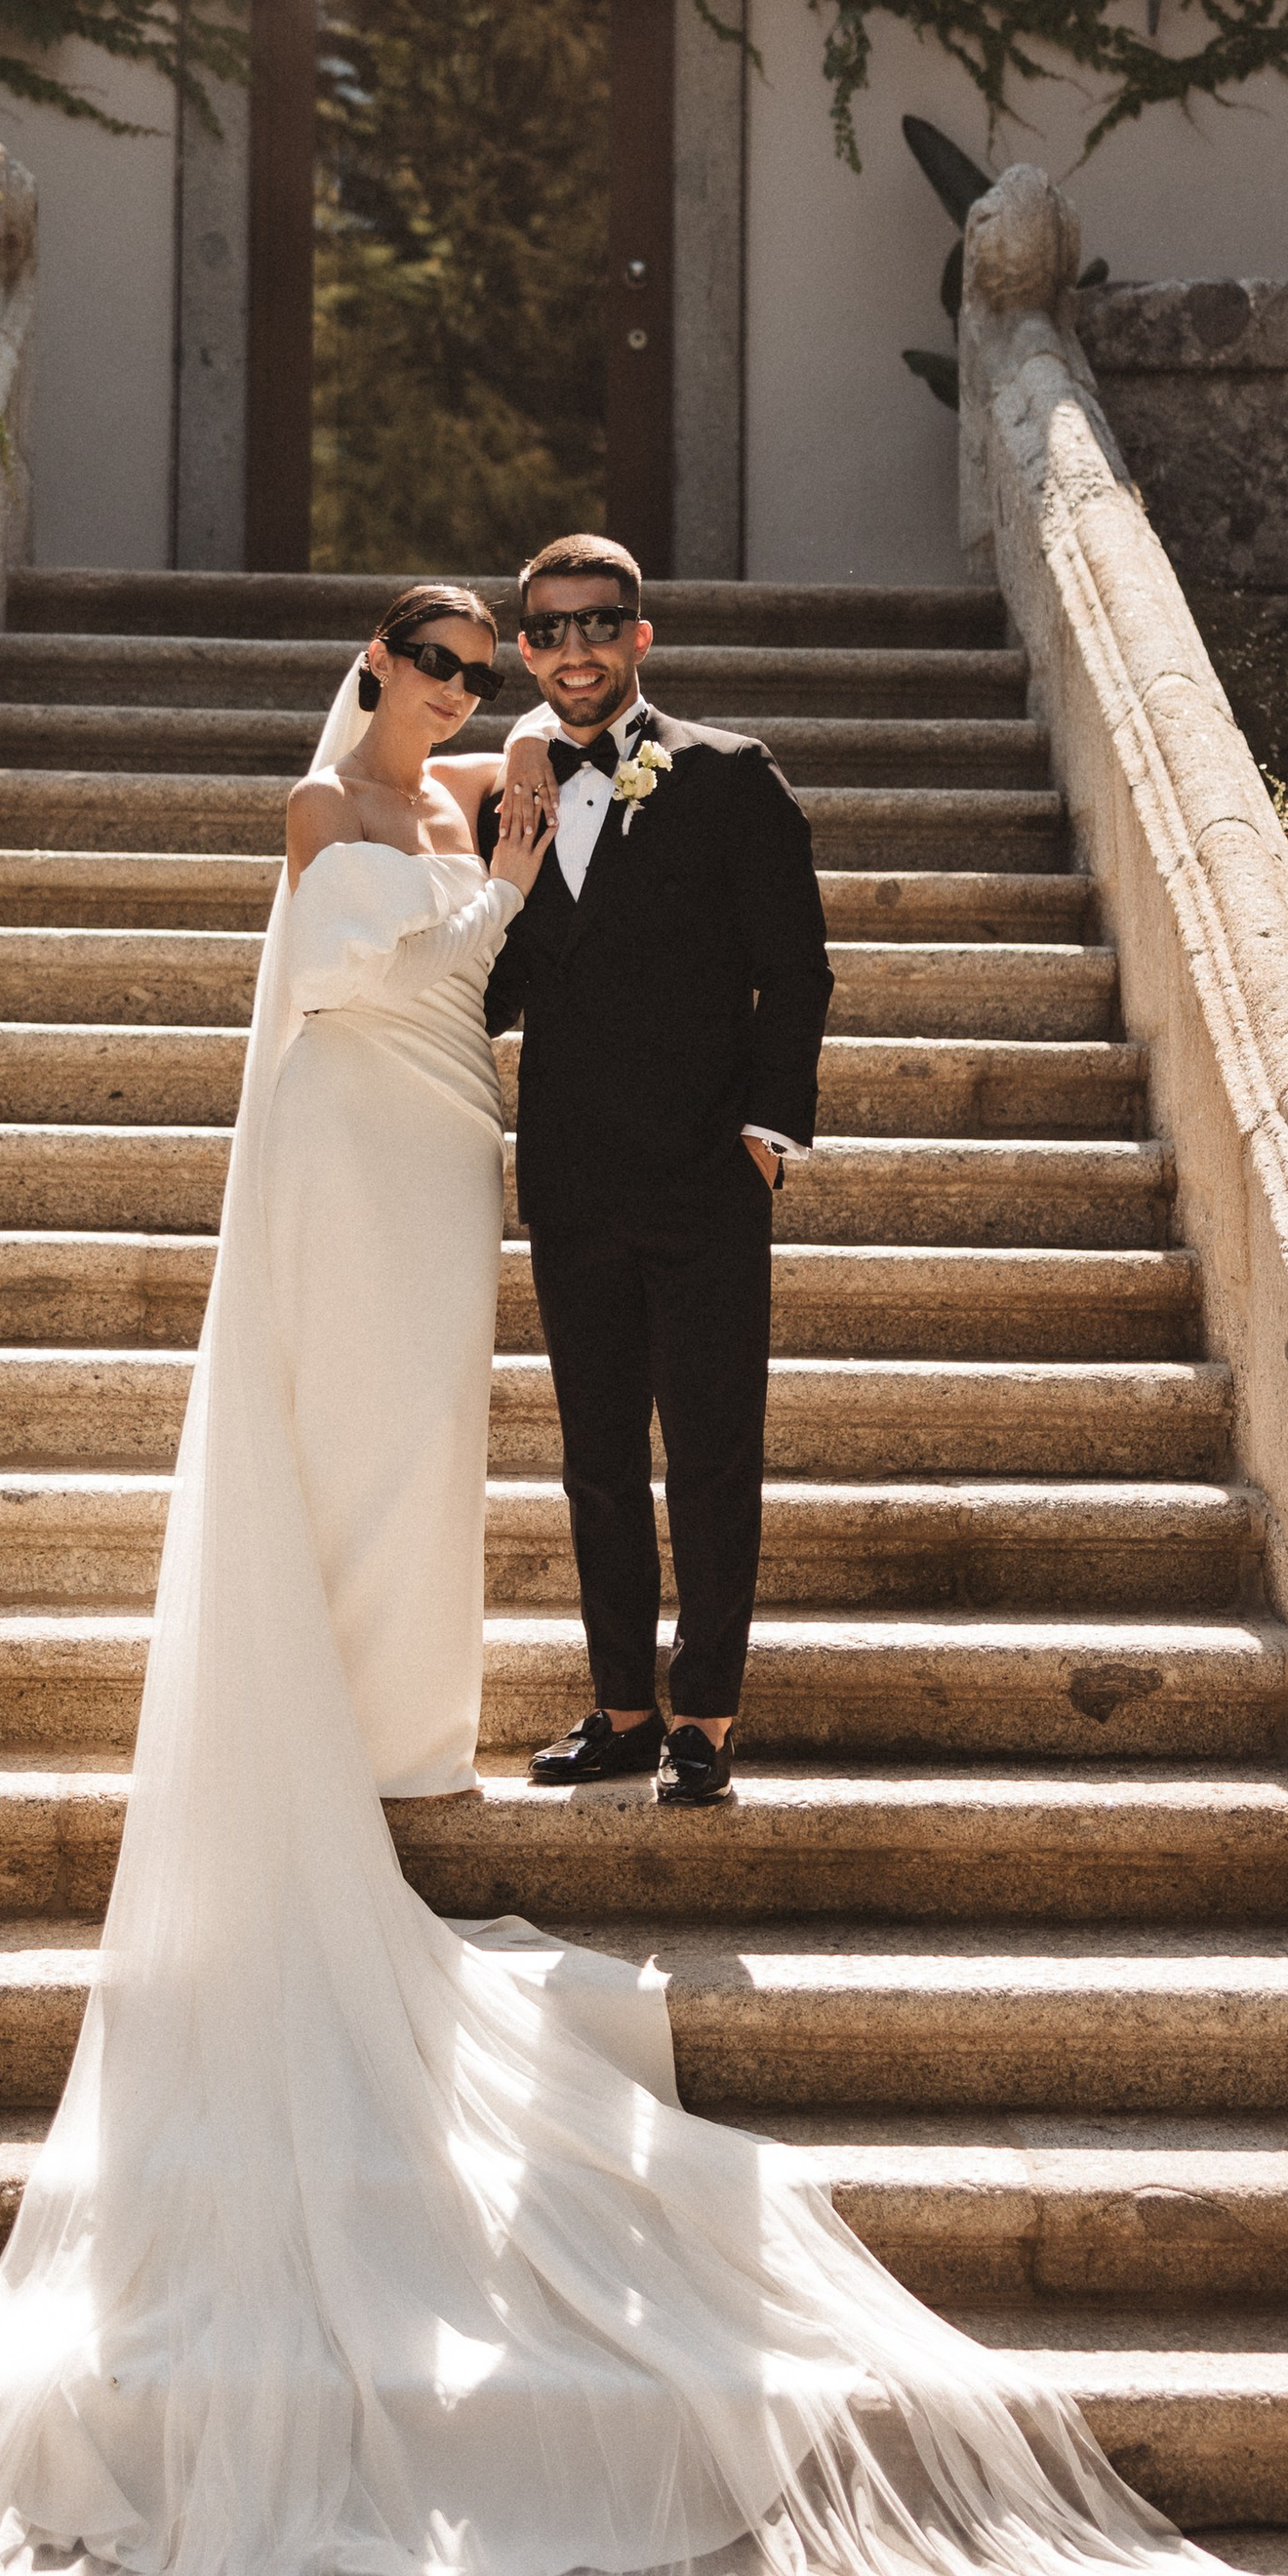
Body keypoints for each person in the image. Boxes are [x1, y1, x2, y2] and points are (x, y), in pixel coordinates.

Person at [0, 584, 1288, 2576]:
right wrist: (501, 836)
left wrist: (743, 1080)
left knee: (492, 1458)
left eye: (505, 657)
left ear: (587, 645)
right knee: (397, 1450)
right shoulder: (339, 803)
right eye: (447, 657)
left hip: (496, 1153)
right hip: (377, 1154)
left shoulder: (556, 780)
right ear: (374, 667)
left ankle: (634, 1705)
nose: (474, 686)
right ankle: (377, 1718)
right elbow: (437, 942)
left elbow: (658, 943)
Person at [480, 532, 829, 1807]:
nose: (575, 648)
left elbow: (794, 967)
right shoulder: (505, 797)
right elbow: (499, 976)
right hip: (571, 1171)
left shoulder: (732, 776)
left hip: (704, 1169)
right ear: (525, 649)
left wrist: (766, 1132)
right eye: (550, 629)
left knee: (713, 1448)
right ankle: (623, 1705)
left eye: (598, 623)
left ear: (641, 635)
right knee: (595, 1452)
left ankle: (707, 1717)